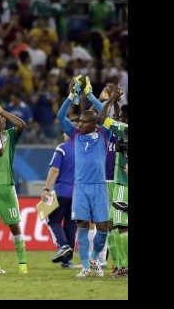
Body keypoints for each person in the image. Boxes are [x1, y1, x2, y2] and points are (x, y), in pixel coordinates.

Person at [56, 77, 111, 277]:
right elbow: (60, 116)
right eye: (79, 121)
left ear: (94, 124)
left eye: (84, 122)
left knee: (103, 228)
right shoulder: (75, 135)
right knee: (82, 226)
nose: (79, 124)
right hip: (80, 187)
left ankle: (95, 257)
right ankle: (86, 266)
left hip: (99, 186)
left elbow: (106, 116)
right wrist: (72, 95)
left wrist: (89, 95)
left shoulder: (103, 134)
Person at [0, 100, 29, 273]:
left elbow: (22, 124)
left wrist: (2, 111)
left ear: (3, 121)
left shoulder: (10, 135)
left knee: (14, 226)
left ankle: (23, 264)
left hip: (7, 187)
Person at [41, 119, 78, 268]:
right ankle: (66, 261)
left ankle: (63, 246)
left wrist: (46, 189)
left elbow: (54, 170)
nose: (63, 134)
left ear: (69, 133)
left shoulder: (62, 148)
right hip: (77, 194)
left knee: (53, 221)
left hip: (62, 191)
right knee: (71, 225)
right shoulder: (84, 149)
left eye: (64, 132)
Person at [100, 85, 128, 278]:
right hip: (117, 181)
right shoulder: (121, 129)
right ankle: (118, 266)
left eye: (120, 117)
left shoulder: (123, 129)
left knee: (120, 225)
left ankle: (124, 265)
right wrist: (116, 100)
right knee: (112, 223)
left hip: (122, 183)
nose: (118, 119)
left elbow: (102, 118)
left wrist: (110, 100)